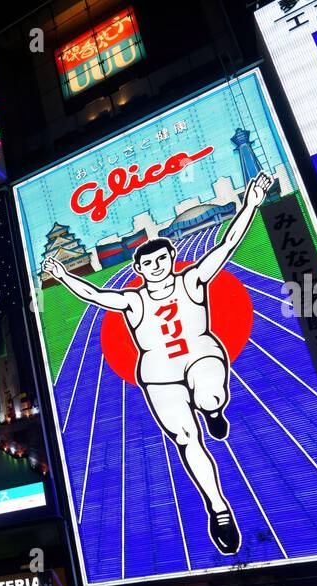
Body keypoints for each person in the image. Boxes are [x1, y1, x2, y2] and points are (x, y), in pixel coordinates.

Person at [42, 170, 275, 555]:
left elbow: (227, 244)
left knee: (210, 396)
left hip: (200, 353)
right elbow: (93, 294)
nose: (156, 266)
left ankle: (213, 409)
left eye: (161, 258)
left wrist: (250, 203)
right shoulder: (134, 301)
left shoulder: (192, 279)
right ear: (139, 270)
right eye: (148, 263)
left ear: (170, 259)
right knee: (186, 438)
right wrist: (64, 276)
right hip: (159, 373)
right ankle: (218, 508)